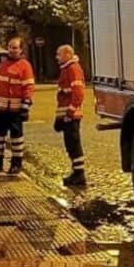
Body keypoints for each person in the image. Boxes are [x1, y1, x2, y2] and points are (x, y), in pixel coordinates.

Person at [0, 37, 34, 176]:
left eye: (15, 47)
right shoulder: (4, 64)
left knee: (16, 138)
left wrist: (25, 106)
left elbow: (28, 87)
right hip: (1, 107)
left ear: (21, 50)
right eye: (10, 47)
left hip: (16, 108)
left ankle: (16, 163)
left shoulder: (25, 66)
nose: (11, 50)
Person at [54, 44, 86, 186]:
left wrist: (70, 113)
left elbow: (78, 93)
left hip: (71, 115)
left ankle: (79, 174)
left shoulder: (73, 69)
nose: (57, 57)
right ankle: (76, 172)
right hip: (68, 115)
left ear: (67, 54)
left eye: (59, 54)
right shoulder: (67, 68)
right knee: (70, 143)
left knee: (73, 144)